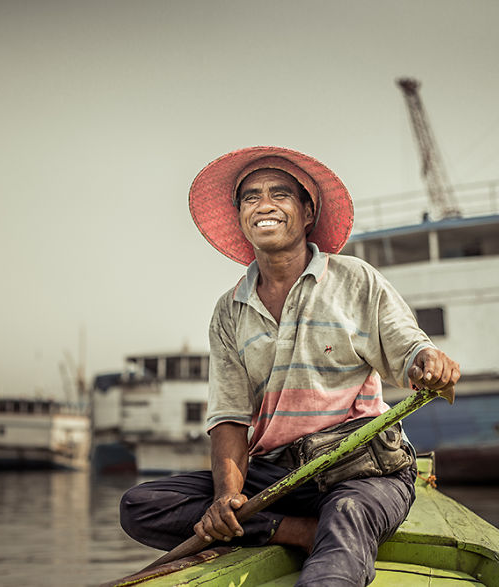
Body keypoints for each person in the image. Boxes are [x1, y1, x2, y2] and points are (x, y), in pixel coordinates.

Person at [119, 146, 460, 586]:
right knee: (143, 503)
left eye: (280, 194)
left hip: (359, 469)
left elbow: (409, 348)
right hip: (276, 475)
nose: (264, 204)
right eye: (250, 197)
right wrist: (228, 498)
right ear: (242, 216)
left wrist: (428, 361)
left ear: (305, 212)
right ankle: (295, 531)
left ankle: (318, 538)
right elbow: (229, 417)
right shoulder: (229, 309)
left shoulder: (355, 279)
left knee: (349, 515)